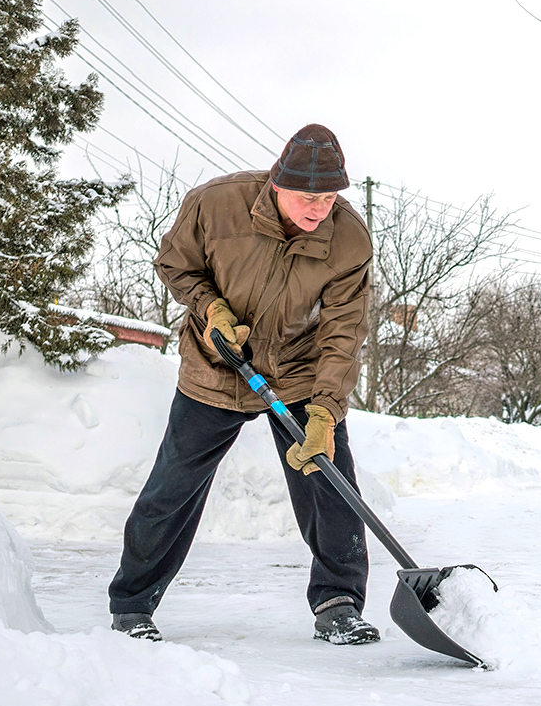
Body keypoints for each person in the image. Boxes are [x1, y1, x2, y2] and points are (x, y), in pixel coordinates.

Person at [108, 123, 379, 646]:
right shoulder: (216, 204)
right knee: (172, 487)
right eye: (307, 197)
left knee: (331, 485)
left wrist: (325, 412)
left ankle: (339, 603)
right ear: (277, 183)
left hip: (299, 372)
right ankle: (132, 605)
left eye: (328, 198)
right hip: (218, 364)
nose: (318, 209)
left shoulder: (348, 239)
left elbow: (344, 332)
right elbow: (175, 264)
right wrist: (211, 308)